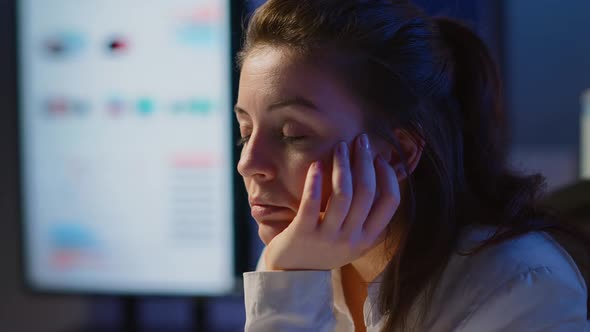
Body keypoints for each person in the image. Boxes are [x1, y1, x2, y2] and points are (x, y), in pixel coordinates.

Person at [233, 0, 590, 331]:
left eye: (292, 134)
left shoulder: (522, 286)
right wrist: (289, 280)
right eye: (245, 132)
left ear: (395, 151)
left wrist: (289, 289)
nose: (248, 164)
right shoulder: (299, 255)